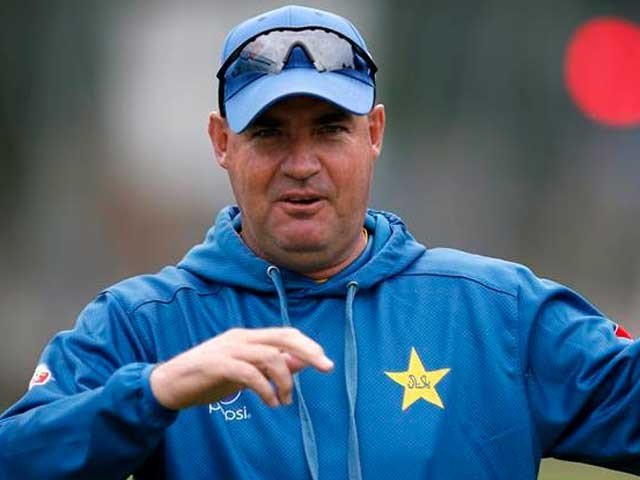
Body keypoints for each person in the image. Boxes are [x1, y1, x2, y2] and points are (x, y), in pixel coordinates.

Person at [1, 4, 639, 479]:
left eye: (331, 129)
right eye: (269, 133)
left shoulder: (499, 313)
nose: (302, 164)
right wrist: (156, 392)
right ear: (222, 143)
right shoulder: (146, 324)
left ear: (374, 134)